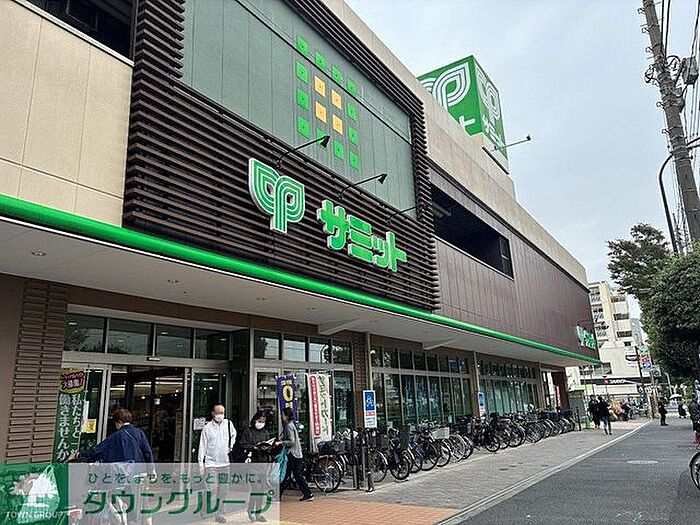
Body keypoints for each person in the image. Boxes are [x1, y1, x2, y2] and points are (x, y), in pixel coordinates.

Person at [71, 408, 155, 525]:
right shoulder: (139, 433)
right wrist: (152, 470)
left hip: (124, 477)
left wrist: (78, 455)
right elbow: (147, 452)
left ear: (119, 422)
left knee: (122, 502)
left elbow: (97, 451)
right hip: (140, 475)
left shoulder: (116, 436)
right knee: (143, 504)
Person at [198, 404, 237, 523]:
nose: (220, 415)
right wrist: (201, 463)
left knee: (223, 489)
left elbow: (234, 435)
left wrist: (231, 446)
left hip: (225, 463)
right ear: (213, 413)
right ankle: (204, 508)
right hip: (211, 463)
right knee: (211, 488)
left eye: (222, 413)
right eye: (218, 413)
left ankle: (220, 513)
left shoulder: (228, 424)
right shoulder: (207, 428)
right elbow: (202, 446)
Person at [239, 411, 273, 522]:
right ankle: (250, 509)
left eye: (263, 421)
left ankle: (258, 513)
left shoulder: (265, 432)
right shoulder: (248, 431)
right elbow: (242, 444)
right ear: (255, 420)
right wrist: (254, 447)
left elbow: (269, 448)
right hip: (252, 464)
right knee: (256, 488)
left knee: (261, 490)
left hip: (262, 463)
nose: (261, 423)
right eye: (259, 421)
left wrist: (267, 448)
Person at [277, 407, 313, 502]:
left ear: (286, 416)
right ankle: (308, 494)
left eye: (283, 415)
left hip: (292, 454)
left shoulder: (289, 426)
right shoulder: (291, 425)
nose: (281, 416)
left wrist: (281, 442)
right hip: (298, 454)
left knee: (285, 474)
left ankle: (277, 495)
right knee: (298, 475)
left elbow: (291, 441)